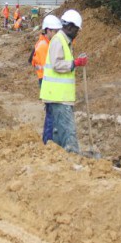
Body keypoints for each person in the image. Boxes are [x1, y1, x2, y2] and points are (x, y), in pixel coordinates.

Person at [39, 9, 87, 153]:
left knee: (58, 132)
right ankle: (73, 157)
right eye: (77, 29)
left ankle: (59, 157)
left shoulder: (64, 41)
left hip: (60, 96)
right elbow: (57, 64)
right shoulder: (58, 41)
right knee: (68, 130)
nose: (77, 33)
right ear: (70, 27)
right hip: (58, 97)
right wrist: (75, 63)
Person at [30, 14, 63, 87]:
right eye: (55, 31)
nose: (57, 34)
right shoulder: (43, 46)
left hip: (47, 78)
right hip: (46, 79)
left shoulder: (47, 43)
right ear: (48, 31)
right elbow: (47, 67)